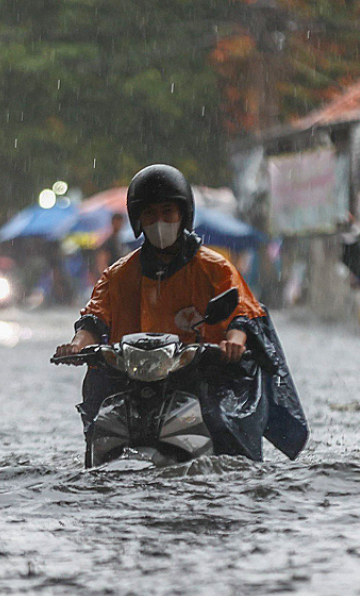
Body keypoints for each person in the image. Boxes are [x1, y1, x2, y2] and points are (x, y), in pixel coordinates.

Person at [54, 164, 307, 461]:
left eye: (167, 213)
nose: (159, 222)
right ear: (137, 219)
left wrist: (234, 342)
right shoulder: (118, 274)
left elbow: (241, 313)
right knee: (99, 418)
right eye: (149, 214)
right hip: (131, 379)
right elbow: (94, 319)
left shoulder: (215, 268)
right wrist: (77, 345)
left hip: (202, 376)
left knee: (221, 423)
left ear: (183, 215)